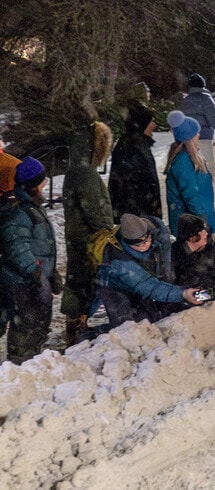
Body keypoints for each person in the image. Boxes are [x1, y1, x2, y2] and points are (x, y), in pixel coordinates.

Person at [0, 157, 61, 364]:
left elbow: (42, 244)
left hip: (34, 279)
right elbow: (16, 245)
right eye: (42, 179)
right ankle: (20, 364)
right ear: (33, 183)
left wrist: (51, 272)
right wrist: (33, 271)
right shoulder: (18, 211)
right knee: (27, 324)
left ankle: (30, 360)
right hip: (23, 282)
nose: (46, 182)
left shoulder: (31, 206)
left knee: (37, 322)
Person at [96, 213, 203, 329]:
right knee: (129, 326)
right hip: (118, 292)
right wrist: (183, 293)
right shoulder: (120, 263)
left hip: (146, 276)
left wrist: (168, 281)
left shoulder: (156, 229)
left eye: (147, 239)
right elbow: (150, 287)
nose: (145, 245)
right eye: (139, 244)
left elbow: (166, 256)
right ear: (127, 243)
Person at [61, 121, 114, 347]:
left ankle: (75, 322)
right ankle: (78, 326)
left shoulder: (76, 171)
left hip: (79, 237)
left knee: (78, 279)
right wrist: (108, 230)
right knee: (86, 281)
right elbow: (97, 211)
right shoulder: (86, 175)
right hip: (90, 240)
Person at [165, 111, 215, 237]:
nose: (199, 135)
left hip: (194, 222)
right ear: (189, 137)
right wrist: (202, 218)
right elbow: (190, 193)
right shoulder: (183, 160)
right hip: (192, 225)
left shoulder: (190, 158)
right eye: (196, 133)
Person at [108, 101, 162, 221]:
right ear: (141, 125)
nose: (154, 125)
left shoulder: (137, 144)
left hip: (138, 216)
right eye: (150, 121)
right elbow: (134, 186)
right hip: (137, 218)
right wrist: (149, 212)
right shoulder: (134, 147)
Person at [172, 213, 215, 303]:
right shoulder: (173, 254)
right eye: (201, 232)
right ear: (193, 238)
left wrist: (204, 296)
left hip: (211, 298)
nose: (206, 233)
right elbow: (168, 288)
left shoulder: (212, 249)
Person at [180, 73, 215, 177]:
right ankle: (207, 184)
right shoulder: (206, 99)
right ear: (203, 85)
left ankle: (195, 186)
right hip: (204, 135)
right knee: (208, 165)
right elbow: (213, 118)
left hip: (189, 138)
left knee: (194, 164)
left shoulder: (185, 101)